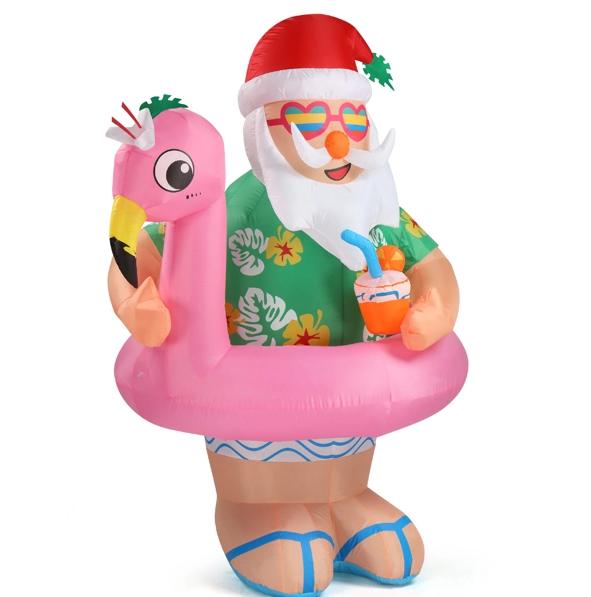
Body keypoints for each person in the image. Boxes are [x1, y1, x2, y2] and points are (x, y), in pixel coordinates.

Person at [109, 14, 460, 597]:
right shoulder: (241, 204)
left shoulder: (378, 207)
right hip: (249, 402)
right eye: (311, 120)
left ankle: (343, 500)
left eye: (350, 120)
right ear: (265, 127)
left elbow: (435, 269)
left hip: (355, 398)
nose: (337, 141)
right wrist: (135, 305)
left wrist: (436, 311)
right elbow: (145, 253)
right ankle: (253, 510)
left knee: (370, 500)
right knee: (290, 549)